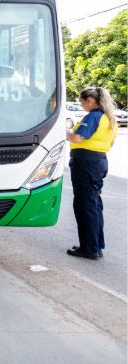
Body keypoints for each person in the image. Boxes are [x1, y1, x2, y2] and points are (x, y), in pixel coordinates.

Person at [65, 86, 118, 260]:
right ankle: (96, 245)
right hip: (99, 161)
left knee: (84, 206)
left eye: (81, 102)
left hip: (85, 163)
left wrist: (65, 132)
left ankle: (89, 249)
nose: (81, 106)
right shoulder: (109, 118)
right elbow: (110, 144)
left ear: (90, 101)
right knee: (94, 205)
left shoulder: (93, 116)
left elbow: (77, 138)